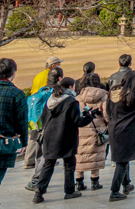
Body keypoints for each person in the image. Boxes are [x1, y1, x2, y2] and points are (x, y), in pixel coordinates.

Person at [34, 74, 94, 203]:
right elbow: (77, 122)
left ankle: (38, 193)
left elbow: (43, 119)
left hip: (50, 137)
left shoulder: (50, 100)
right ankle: (69, 191)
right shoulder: (71, 102)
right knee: (69, 164)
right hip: (66, 137)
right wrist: (88, 116)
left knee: (48, 164)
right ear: (71, 87)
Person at [106, 67, 135, 201]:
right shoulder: (132, 97)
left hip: (115, 129)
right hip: (127, 130)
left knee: (123, 157)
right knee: (122, 162)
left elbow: (108, 111)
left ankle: (126, 184)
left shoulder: (112, 94)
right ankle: (114, 191)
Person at [25, 56, 63, 170]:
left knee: (33, 137)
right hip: (44, 110)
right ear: (53, 66)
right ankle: (47, 158)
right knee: (45, 137)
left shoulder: (38, 76)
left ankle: (29, 160)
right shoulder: (48, 76)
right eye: (58, 64)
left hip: (34, 112)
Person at [74, 73, 109, 191]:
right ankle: (95, 181)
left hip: (82, 128)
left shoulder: (78, 97)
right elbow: (106, 114)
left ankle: (79, 181)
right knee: (96, 153)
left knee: (80, 153)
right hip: (97, 128)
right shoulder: (103, 96)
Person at [0, 58, 28, 192]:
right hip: (5, 143)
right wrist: (23, 142)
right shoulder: (17, 94)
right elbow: (22, 121)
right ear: (13, 73)